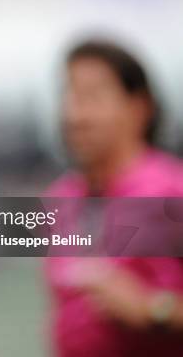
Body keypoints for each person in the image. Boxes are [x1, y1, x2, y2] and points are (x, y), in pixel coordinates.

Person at [46, 40, 183, 356]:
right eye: (70, 95)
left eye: (92, 97)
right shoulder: (61, 198)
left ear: (140, 107)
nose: (74, 114)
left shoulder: (171, 191)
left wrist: (154, 309)